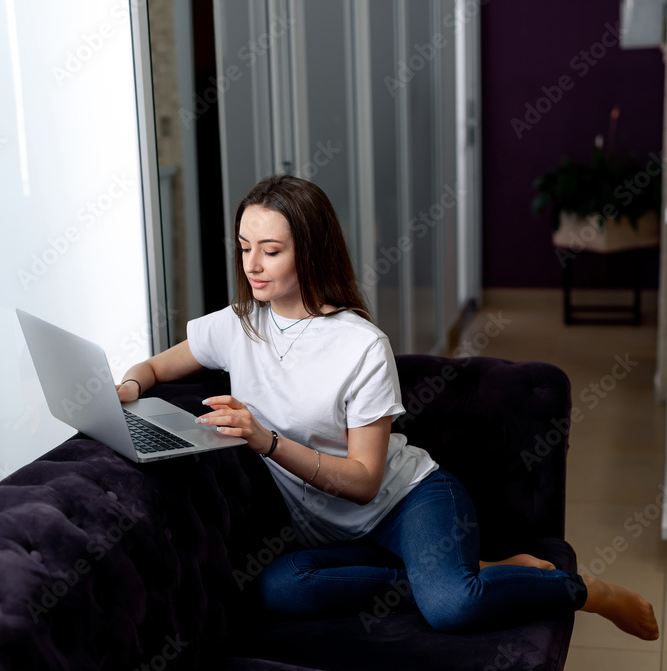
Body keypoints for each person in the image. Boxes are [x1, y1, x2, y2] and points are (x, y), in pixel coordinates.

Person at [117, 174, 659, 641]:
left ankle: (584, 591)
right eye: (243, 247)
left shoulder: (361, 345)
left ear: (310, 250)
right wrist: (126, 387)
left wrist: (268, 441)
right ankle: (451, 572)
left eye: (271, 250)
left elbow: (363, 482)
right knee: (282, 588)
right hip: (332, 533)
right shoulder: (237, 325)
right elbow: (157, 368)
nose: (252, 265)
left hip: (408, 502)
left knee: (452, 608)